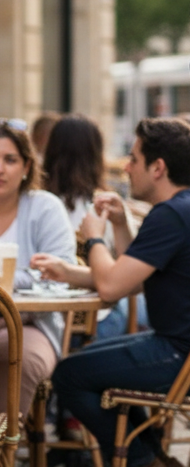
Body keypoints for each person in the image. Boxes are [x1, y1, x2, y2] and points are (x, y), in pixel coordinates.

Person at [32, 118, 190, 467]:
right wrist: (78, 262)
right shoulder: (189, 208)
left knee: (69, 374)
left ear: (158, 168)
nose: (126, 167)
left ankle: (138, 458)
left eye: (133, 159)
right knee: (86, 363)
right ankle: (148, 456)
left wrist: (95, 237)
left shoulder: (173, 215)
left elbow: (112, 287)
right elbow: (129, 278)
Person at [44, 113, 148, 338]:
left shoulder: (38, 206)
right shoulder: (105, 206)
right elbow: (128, 276)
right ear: (96, 155)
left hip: (44, 319)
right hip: (99, 322)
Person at [0, 121, 76, 417]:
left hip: (32, 324)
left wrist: (7, 283)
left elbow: (60, 276)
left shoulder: (45, 208)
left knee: (24, 358)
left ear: (27, 166)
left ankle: (6, 447)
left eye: (10, 159)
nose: (1, 169)